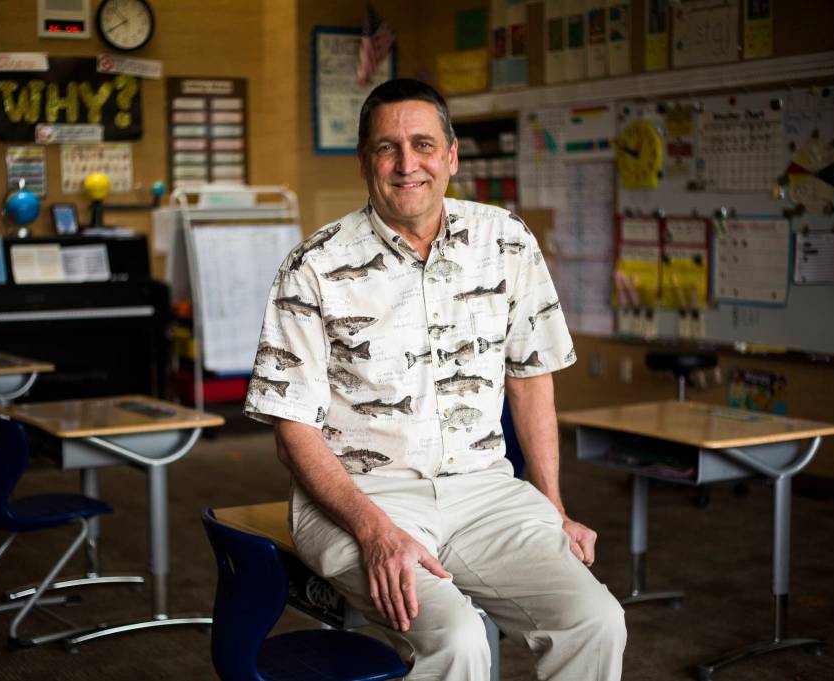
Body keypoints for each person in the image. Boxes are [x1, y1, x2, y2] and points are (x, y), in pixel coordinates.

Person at [245, 78, 625, 681]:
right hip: (362, 496)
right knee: (458, 638)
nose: (406, 164)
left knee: (596, 619)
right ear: (365, 162)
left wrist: (552, 503)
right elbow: (292, 430)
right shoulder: (312, 266)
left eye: (422, 144)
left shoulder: (506, 242)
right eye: (387, 148)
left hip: (486, 493)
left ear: (451, 155)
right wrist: (375, 531)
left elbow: (530, 380)